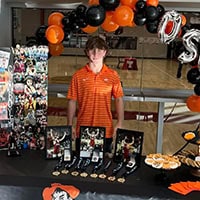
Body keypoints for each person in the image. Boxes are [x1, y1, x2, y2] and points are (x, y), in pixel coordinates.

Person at [67, 36, 124, 156]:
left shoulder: (113, 75)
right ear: (87, 52)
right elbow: (72, 101)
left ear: (105, 52)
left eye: (99, 50)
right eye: (92, 50)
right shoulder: (78, 76)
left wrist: (120, 123)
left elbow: (119, 99)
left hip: (106, 129)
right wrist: (69, 124)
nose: (95, 53)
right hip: (83, 129)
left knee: (103, 170)